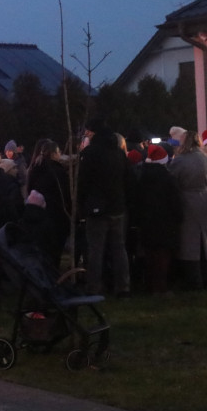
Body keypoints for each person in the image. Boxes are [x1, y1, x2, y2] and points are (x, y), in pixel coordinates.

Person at [77, 119, 131, 297]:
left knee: (95, 250)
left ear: (94, 133)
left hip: (97, 208)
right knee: (119, 248)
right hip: (117, 206)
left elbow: (83, 182)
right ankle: (123, 286)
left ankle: (94, 287)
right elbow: (127, 177)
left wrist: (81, 205)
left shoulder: (90, 153)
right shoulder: (118, 153)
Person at [168, 131, 207, 290]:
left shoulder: (180, 161)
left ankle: (194, 279)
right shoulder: (205, 159)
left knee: (189, 239)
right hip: (204, 198)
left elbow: (172, 180)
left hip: (187, 200)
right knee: (206, 238)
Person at [130, 144, 181, 294]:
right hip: (165, 222)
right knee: (162, 256)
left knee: (149, 254)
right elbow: (175, 201)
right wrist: (178, 216)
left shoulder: (141, 177)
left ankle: (150, 285)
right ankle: (161, 287)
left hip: (146, 221)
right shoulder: (168, 178)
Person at [21, 140, 69, 267]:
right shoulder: (58, 171)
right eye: (59, 152)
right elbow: (64, 194)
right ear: (54, 154)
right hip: (55, 215)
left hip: (37, 214)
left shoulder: (34, 168)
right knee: (54, 253)